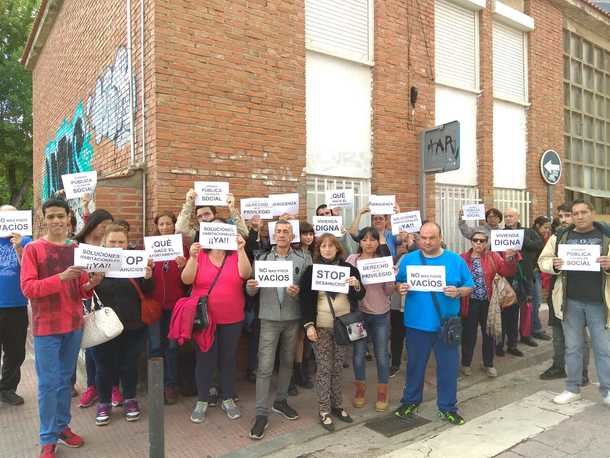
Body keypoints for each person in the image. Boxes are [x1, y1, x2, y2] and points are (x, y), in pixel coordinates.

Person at [20, 198, 103, 458]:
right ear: (44, 218)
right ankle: (47, 438)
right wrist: (60, 278)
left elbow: (79, 290)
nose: (56, 221)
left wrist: (91, 283)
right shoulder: (34, 249)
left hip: (73, 324)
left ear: (69, 218)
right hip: (46, 327)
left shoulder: (76, 247)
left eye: (60, 216)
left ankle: (62, 427)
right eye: (51, 216)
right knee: (48, 384)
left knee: (65, 382)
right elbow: (28, 288)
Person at [394, 221, 473, 426]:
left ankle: (447, 407)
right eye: (423, 237)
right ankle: (410, 401)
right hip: (416, 325)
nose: (427, 241)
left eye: (432, 238)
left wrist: (458, 292)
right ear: (419, 238)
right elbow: (398, 282)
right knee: (414, 366)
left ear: (440, 238)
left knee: (448, 368)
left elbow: (469, 286)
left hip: (446, 325)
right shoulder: (408, 259)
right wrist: (399, 288)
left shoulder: (454, 260)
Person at [538, 200, 610, 406]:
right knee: (573, 348)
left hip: (599, 303)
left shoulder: (606, 235)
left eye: (584, 212)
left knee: (603, 348)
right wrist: (554, 264)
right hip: (570, 302)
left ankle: (607, 391)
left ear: (592, 213)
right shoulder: (560, 236)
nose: (579, 216)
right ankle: (572, 388)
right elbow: (543, 261)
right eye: (575, 213)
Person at [246, 220, 311, 440]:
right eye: (279, 231)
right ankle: (261, 414)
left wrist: (299, 291)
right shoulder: (262, 259)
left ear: (292, 235)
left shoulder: (303, 259)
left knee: (287, 361)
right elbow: (251, 290)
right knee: (264, 366)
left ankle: (281, 401)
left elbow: (309, 290)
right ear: (274, 235)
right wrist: (250, 286)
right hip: (269, 318)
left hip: (293, 318)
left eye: (286, 232)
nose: (282, 235)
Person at [182, 222, 251, 423]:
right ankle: (202, 399)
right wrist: (193, 258)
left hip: (232, 318)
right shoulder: (200, 255)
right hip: (205, 319)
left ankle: (227, 397)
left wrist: (241, 249)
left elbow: (245, 274)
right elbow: (186, 280)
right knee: (204, 359)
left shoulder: (235, 254)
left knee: (228, 359)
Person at [299, 233, 365, 431]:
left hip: (344, 327)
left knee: (337, 367)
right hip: (321, 327)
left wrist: (356, 285)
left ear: (338, 248)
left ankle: (337, 405)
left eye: (331, 246)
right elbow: (305, 301)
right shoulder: (312, 271)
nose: (327, 249)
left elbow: (360, 295)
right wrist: (309, 325)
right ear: (318, 250)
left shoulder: (349, 269)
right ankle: (324, 410)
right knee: (324, 368)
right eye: (323, 246)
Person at [92, 224, 153, 426]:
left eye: (121, 242)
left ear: (127, 244)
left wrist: (147, 277)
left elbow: (147, 291)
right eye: (113, 242)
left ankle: (130, 399)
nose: (117, 245)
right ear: (104, 243)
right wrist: (94, 280)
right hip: (104, 328)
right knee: (103, 367)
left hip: (133, 325)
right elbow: (84, 292)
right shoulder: (95, 263)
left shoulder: (135, 261)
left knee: (129, 365)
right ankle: (104, 402)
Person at [539, 203, 590, 382]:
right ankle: (558, 366)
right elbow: (543, 261)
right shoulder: (556, 237)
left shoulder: (593, 237)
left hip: (582, 293)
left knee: (579, 336)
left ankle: (582, 373)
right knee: (558, 333)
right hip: (558, 291)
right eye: (561, 216)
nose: (564, 220)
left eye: (568, 215)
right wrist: (554, 265)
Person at [73, 210, 118, 409]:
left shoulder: (109, 245)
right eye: (103, 224)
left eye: (110, 225)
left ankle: (113, 386)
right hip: (85, 300)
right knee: (92, 345)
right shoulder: (76, 246)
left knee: (111, 343)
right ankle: (92, 387)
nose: (106, 229)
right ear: (93, 223)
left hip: (109, 301)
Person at [346, 227, 394, 411]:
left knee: (381, 354)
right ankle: (360, 389)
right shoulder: (352, 260)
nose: (368, 243)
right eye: (364, 239)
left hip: (380, 313)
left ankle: (383, 391)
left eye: (372, 240)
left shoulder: (383, 262)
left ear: (378, 242)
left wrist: (390, 281)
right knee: (358, 355)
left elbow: (389, 291)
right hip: (358, 314)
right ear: (359, 242)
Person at [460, 231, 517, 377]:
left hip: (488, 302)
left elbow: (507, 272)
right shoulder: (462, 258)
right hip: (469, 301)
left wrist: (510, 259)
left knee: (489, 334)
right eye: (475, 240)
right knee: (468, 334)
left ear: (486, 242)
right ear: (471, 241)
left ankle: (488, 364)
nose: (478, 243)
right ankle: (466, 364)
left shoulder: (493, 257)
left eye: (482, 240)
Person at [150, 212, 187, 404]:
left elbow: (188, 279)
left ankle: (170, 385)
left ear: (174, 225)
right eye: (161, 224)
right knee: (155, 346)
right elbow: (144, 281)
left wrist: (183, 266)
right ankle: (156, 385)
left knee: (172, 346)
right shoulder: (149, 248)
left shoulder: (182, 248)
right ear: (157, 226)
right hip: (155, 306)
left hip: (175, 306)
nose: (165, 227)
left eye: (168, 224)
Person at [496, 208, 541, 356]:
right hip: (505, 278)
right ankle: (500, 343)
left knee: (526, 308)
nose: (508, 218)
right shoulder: (500, 234)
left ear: (518, 217)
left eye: (511, 216)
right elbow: (492, 252)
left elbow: (538, 245)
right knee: (504, 312)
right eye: (506, 216)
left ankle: (520, 340)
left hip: (524, 276)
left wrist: (520, 239)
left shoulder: (528, 232)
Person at [0, 205, 32, 406]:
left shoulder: (27, 241)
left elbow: (31, 269)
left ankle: (8, 388)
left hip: (16, 306)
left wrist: (20, 247)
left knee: (16, 351)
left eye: (13, 217)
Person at [292, 221, 315, 390]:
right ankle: (296, 371)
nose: (308, 237)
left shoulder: (316, 252)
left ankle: (304, 368)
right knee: (297, 337)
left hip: (311, 299)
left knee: (306, 336)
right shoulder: (294, 253)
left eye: (310, 234)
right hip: (295, 298)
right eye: (304, 234)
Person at [390, 233, 417, 377]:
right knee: (396, 336)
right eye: (405, 240)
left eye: (410, 239)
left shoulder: (425, 257)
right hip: (397, 304)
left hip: (415, 305)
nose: (406, 243)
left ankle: (413, 365)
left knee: (414, 337)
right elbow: (391, 274)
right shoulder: (402, 256)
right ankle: (395, 364)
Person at [175, 189, 248, 244]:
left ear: (215, 215)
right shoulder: (196, 235)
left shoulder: (226, 231)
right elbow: (180, 230)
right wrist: (189, 203)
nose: (203, 218)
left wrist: (232, 208)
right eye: (199, 216)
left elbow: (244, 233)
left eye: (207, 214)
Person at [530, 216, 552, 341]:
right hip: (533, 274)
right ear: (538, 225)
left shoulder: (542, 237)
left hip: (537, 272)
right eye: (545, 227)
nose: (547, 230)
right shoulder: (533, 236)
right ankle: (535, 329)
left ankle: (533, 327)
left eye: (548, 228)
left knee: (536, 303)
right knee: (536, 302)